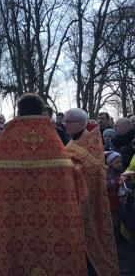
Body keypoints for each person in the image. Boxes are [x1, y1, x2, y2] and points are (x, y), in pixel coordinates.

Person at [0, 93, 88, 275]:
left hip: (10, 226)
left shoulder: (6, 144)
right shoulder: (52, 140)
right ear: (42, 111)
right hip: (52, 225)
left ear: (18, 111)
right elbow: (73, 179)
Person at [64, 108, 119, 275]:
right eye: (64, 122)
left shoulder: (92, 140)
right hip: (73, 198)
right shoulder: (73, 140)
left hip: (89, 200)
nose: (65, 125)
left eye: (68, 122)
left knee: (89, 241)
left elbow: (93, 167)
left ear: (81, 123)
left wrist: (69, 166)